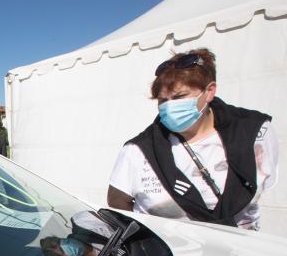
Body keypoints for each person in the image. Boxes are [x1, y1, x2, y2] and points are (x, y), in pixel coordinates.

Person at [107, 48, 279, 230]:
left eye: (179, 97)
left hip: (241, 251)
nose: (170, 106)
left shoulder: (255, 133)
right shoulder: (140, 149)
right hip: (169, 254)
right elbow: (118, 200)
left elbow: (261, 185)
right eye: (162, 100)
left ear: (209, 91)